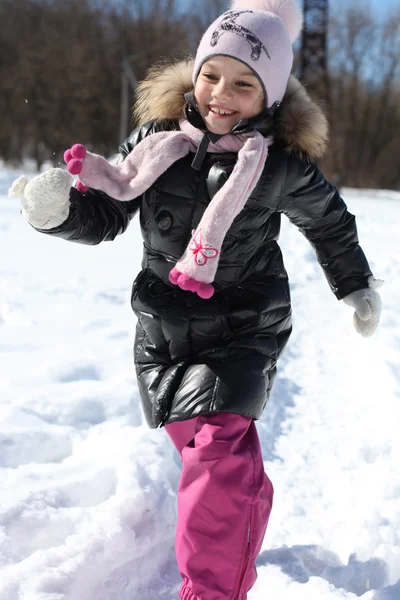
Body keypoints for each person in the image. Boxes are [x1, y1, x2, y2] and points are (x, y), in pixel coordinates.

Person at [9, 1, 383, 599]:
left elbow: (330, 222)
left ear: (272, 98)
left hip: (244, 327)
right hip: (162, 329)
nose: (221, 94)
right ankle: (240, 512)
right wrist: (62, 213)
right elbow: (109, 211)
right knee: (207, 453)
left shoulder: (278, 164)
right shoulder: (156, 141)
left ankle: (210, 589)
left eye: (244, 84)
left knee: (216, 453)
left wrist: (354, 283)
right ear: (195, 71)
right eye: (213, 74)